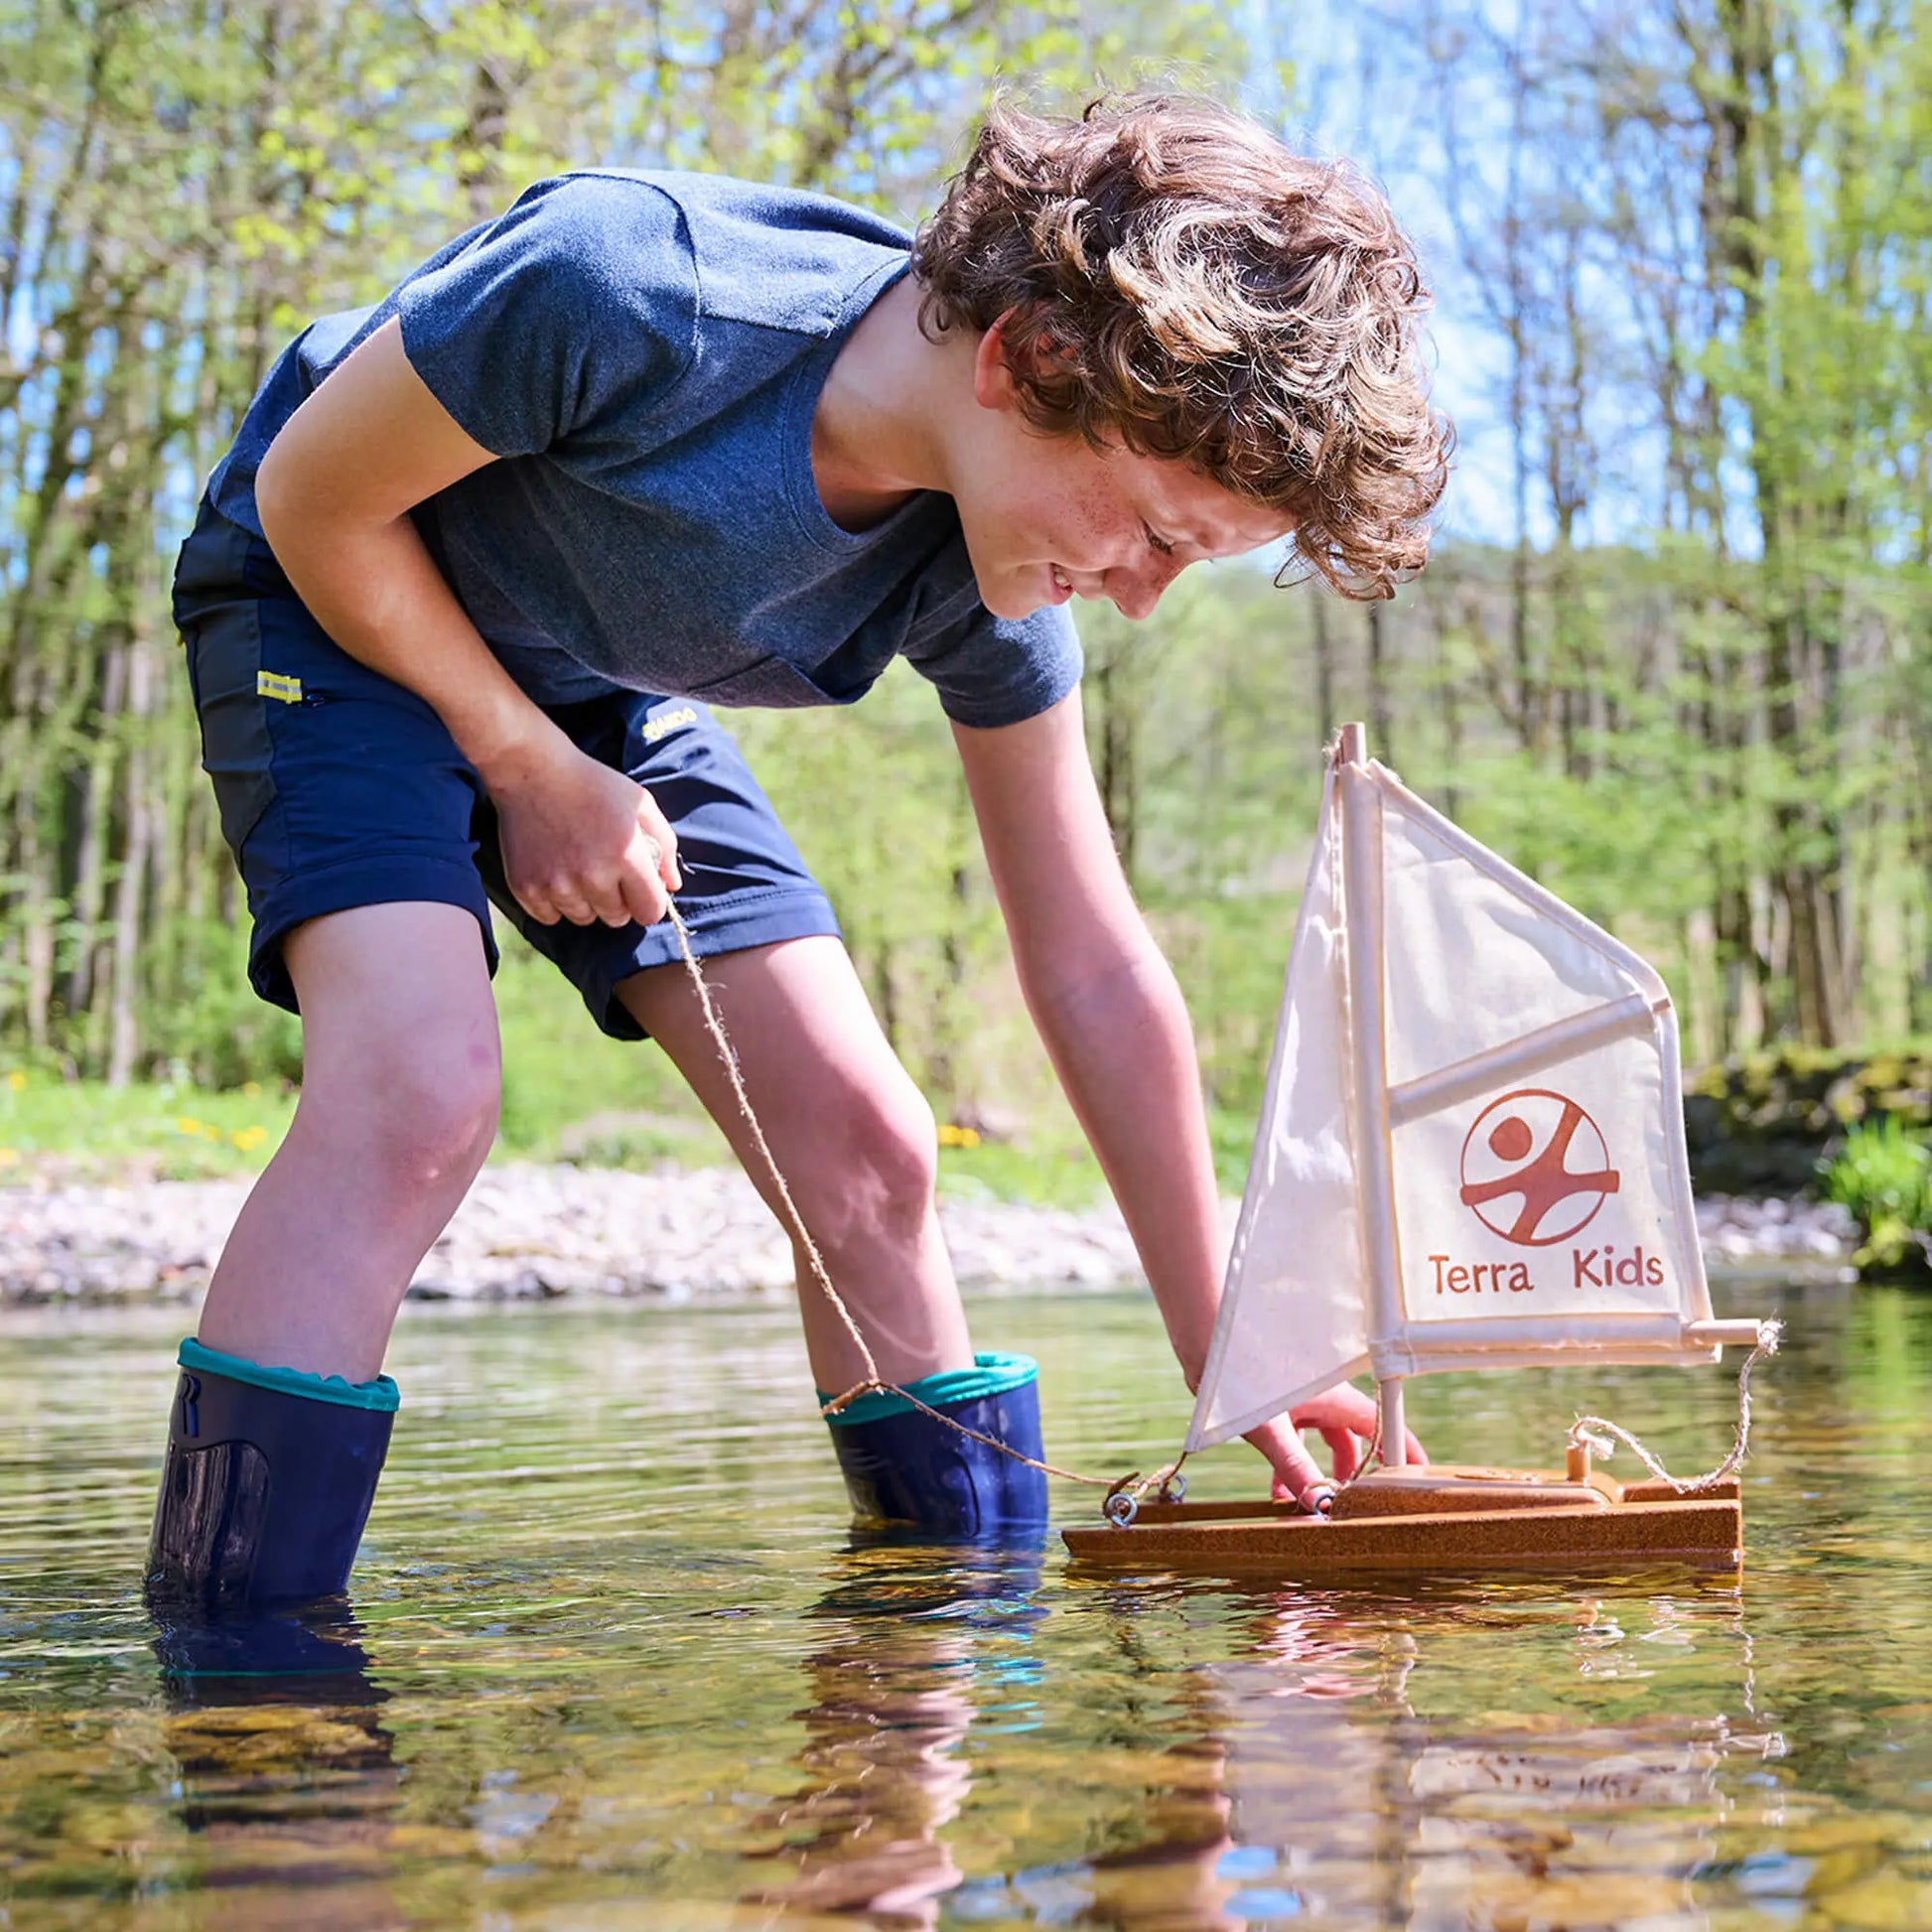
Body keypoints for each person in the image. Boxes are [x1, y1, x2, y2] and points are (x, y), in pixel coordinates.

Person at [150, 90, 1448, 1610]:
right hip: (327, 589)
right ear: (1025, 359)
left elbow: (1090, 958)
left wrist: (1233, 1338)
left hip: (590, 687)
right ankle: (236, 1672)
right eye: (1154, 533)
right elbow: (313, 493)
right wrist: (523, 763)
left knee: (872, 1146)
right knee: (422, 1086)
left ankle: (942, 1668)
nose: (1142, 595)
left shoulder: (990, 568)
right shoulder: (628, 288)